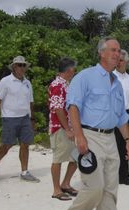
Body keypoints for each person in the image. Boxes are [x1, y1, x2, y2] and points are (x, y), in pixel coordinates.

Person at [64, 37, 129, 210]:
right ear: (101, 53)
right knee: (94, 186)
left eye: (119, 51)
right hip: (90, 135)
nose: (117, 54)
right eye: (113, 50)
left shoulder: (118, 85)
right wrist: (79, 136)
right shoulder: (85, 77)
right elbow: (73, 106)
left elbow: (122, 116)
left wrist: (128, 140)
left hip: (111, 137)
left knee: (111, 188)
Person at [0, 56, 40, 182]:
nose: (22, 67)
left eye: (23, 65)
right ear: (13, 67)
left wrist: (32, 119)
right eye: (19, 65)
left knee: (25, 145)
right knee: (7, 144)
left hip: (25, 118)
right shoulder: (5, 81)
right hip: (9, 118)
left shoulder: (27, 83)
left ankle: (24, 171)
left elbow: (30, 103)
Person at [48, 58, 78, 201]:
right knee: (58, 159)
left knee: (77, 157)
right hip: (60, 128)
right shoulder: (57, 85)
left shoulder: (67, 85)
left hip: (70, 128)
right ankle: (56, 190)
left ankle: (65, 184)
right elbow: (58, 108)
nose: (74, 72)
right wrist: (66, 128)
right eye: (74, 69)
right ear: (69, 70)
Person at [113, 49, 129, 186]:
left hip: (125, 115)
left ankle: (124, 177)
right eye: (117, 59)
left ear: (126, 62)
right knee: (112, 146)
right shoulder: (110, 76)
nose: (118, 62)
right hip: (111, 116)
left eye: (121, 60)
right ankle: (110, 177)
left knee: (125, 146)